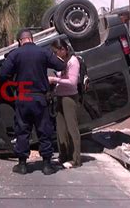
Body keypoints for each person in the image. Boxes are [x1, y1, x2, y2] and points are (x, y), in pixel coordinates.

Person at [0, 29, 66, 175]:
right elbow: (60, 65)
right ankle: (47, 165)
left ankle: (22, 165)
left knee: (22, 130)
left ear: (19, 41)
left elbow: (3, 73)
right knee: (44, 130)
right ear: (32, 38)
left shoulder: (15, 54)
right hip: (39, 98)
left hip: (23, 98)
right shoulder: (43, 52)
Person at [48, 40, 82, 169]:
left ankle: (75, 159)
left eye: (56, 52)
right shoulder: (61, 62)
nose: (55, 54)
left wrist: (55, 79)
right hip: (60, 96)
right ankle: (63, 155)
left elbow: (72, 82)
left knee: (72, 128)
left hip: (69, 97)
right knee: (61, 129)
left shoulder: (73, 62)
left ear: (63, 49)